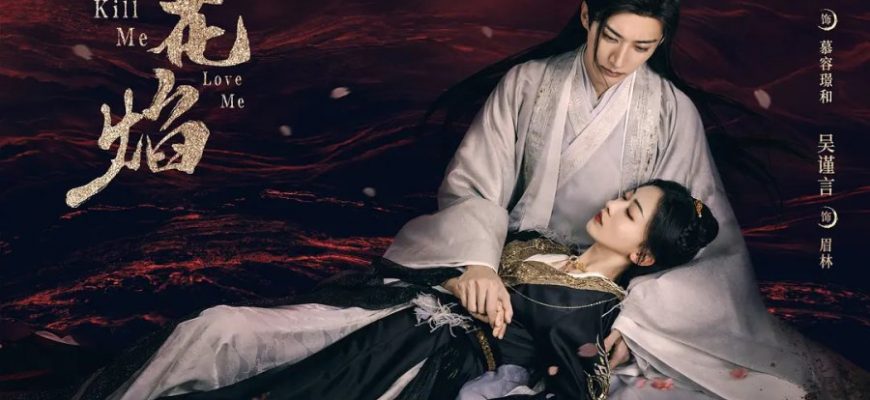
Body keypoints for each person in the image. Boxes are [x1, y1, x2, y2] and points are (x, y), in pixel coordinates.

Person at [77, 1, 867, 399]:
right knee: (226, 331)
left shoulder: (671, 114)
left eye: (644, 47)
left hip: (566, 301)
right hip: (480, 271)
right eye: (611, 36)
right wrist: (476, 263)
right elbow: (476, 186)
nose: (622, 59)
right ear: (586, 16)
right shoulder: (529, 84)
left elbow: (697, 239)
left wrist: (627, 323)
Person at [150, 180, 720, 400]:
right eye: (625, 196)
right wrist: (463, 275)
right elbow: (452, 254)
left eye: (630, 212)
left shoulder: (591, 307)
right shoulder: (540, 244)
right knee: (220, 326)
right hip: (394, 314)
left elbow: (578, 387)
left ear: (643, 256)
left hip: (422, 363)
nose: (613, 204)